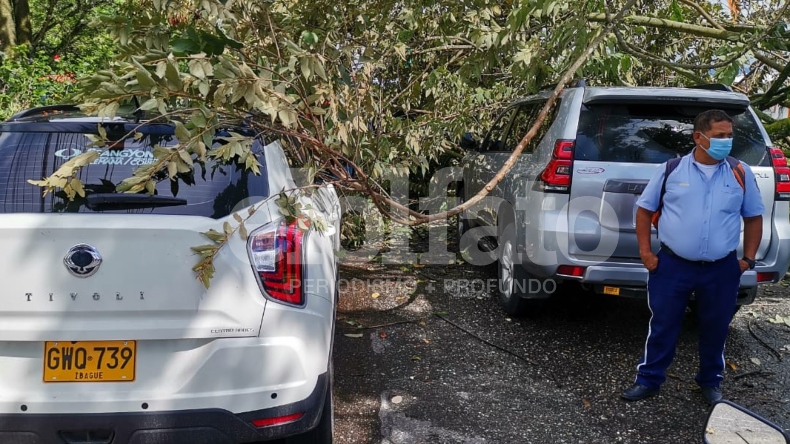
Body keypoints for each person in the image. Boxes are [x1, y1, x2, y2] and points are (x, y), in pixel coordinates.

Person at [620, 109, 764, 405]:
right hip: (673, 265)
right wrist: (646, 253)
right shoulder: (671, 170)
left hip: (722, 268)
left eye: (729, 135)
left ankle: (710, 382)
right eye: (719, 136)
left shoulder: (739, 173)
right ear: (699, 137)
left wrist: (747, 260)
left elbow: (753, 217)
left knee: (716, 327)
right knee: (664, 325)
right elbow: (644, 211)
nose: (727, 141)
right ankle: (648, 380)